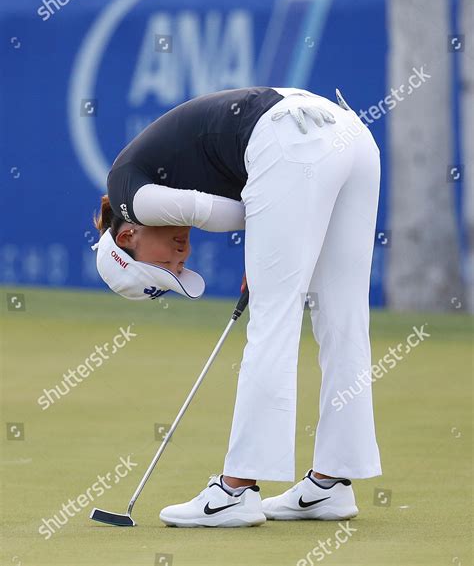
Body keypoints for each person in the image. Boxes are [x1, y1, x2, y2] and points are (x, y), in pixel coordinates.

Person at [92, 86, 382, 527]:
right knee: (344, 318)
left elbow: (226, 213)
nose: (180, 259)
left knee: (273, 320)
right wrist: (273, 240)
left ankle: (235, 491)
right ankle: (330, 484)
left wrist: (271, 241)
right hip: (349, 136)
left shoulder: (128, 194)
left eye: (164, 267)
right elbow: (254, 209)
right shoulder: (143, 192)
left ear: (126, 238)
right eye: (176, 271)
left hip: (293, 138)